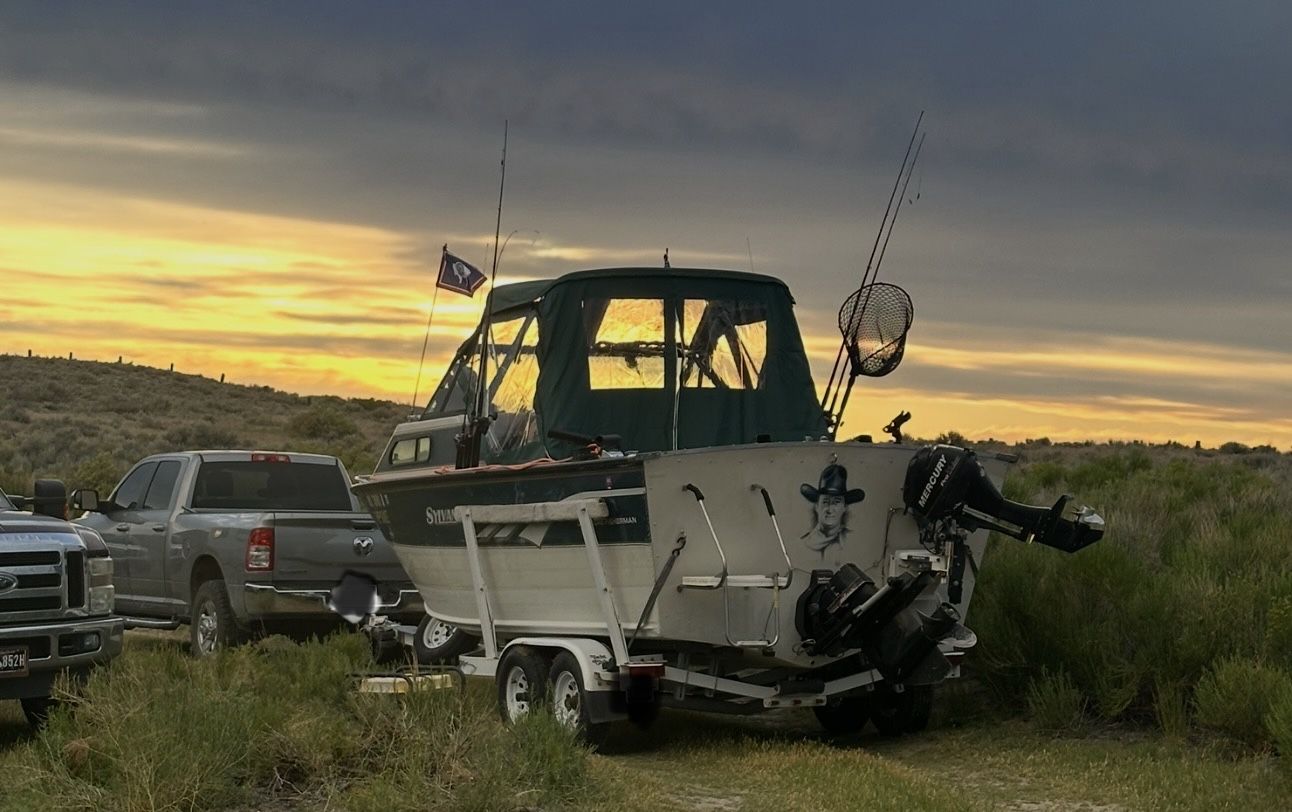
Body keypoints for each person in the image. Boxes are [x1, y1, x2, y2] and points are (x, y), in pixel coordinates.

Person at [799, 464, 865, 555]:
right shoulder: (804, 543)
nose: (830, 509)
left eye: (836, 502)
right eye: (825, 502)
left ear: (844, 507)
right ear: (817, 506)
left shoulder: (854, 541)